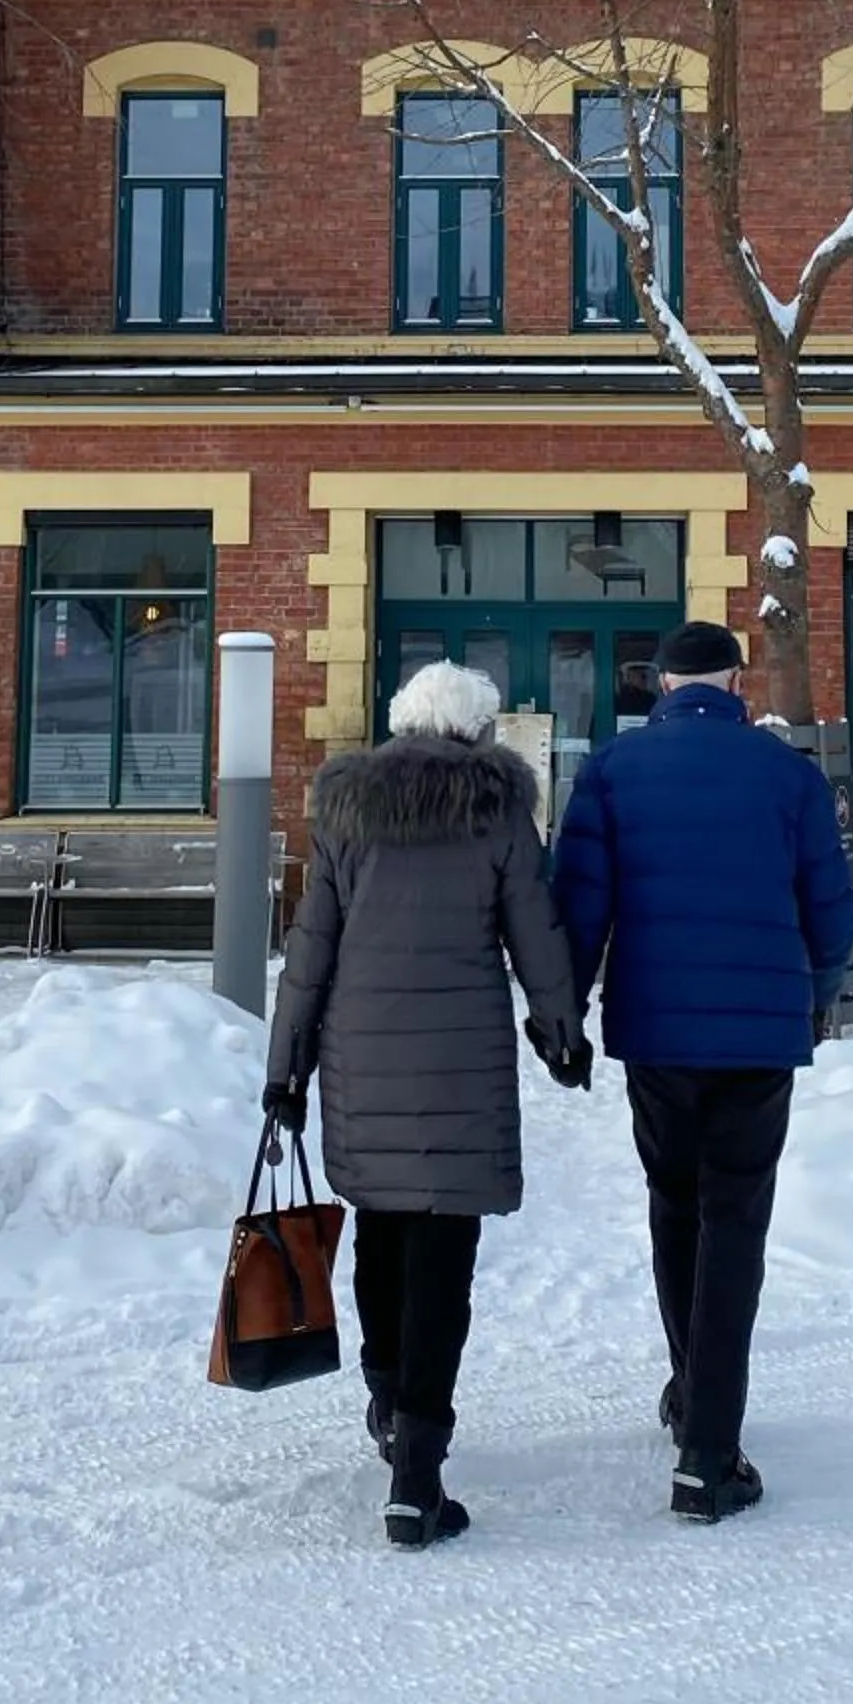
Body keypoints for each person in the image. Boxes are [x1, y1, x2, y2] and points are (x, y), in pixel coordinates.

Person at [265, 657, 589, 1549]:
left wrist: (284, 1067)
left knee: (380, 1229)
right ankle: (419, 1468)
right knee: (445, 1251)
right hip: (462, 1063)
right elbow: (535, 927)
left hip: (361, 1055)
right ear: (475, 730)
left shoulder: (346, 811)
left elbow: (310, 947)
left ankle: (386, 1390)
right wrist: (561, 1030)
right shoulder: (497, 810)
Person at [553, 618, 853, 1523]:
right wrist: (815, 993)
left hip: (657, 1032)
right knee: (737, 1224)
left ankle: (691, 1389)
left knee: (674, 1206)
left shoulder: (610, 771)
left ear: (658, 687)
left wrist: (564, 1014)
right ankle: (708, 1450)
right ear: (736, 684)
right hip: (759, 1037)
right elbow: (831, 910)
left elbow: (580, 905)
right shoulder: (791, 777)